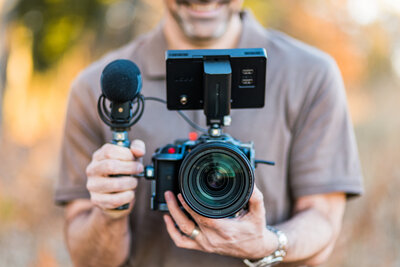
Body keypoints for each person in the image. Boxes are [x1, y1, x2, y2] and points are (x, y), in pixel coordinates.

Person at [55, 0, 363, 266]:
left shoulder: (310, 75)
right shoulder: (105, 87)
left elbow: (323, 223)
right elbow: (87, 259)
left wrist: (268, 244)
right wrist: (110, 213)